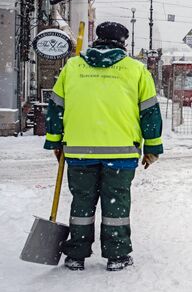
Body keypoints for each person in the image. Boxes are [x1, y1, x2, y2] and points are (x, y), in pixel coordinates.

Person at [44, 21, 163, 272]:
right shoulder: (136, 70)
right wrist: (152, 148)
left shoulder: (72, 67)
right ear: (123, 42)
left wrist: (55, 141)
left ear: (96, 39)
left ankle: (76, 254)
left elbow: (56, 108)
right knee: (116, 204)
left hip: (78, 150)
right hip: (121, 152)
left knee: (82, 202)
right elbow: (149, 113)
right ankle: (117, 255)